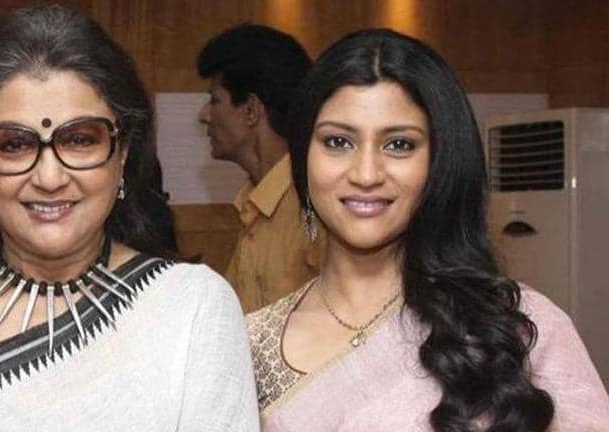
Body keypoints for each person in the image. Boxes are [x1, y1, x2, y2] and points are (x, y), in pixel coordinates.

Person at [0, 5, 258, 432]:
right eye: (13, 145)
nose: (49, 178)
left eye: (80, 140)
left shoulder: (195, 304)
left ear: (123, 153)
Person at [248, 29, 609, 431]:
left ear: (439, 162)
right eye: (338, 141)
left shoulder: (515, 329)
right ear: (303, 158)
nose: (366, 174)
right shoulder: (249, 348)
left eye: (399, 145)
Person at [197, 24, 323, 312]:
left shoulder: (315, 206)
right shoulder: (253, 206)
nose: (204, 115)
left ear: (251, 110)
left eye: (214, 100)